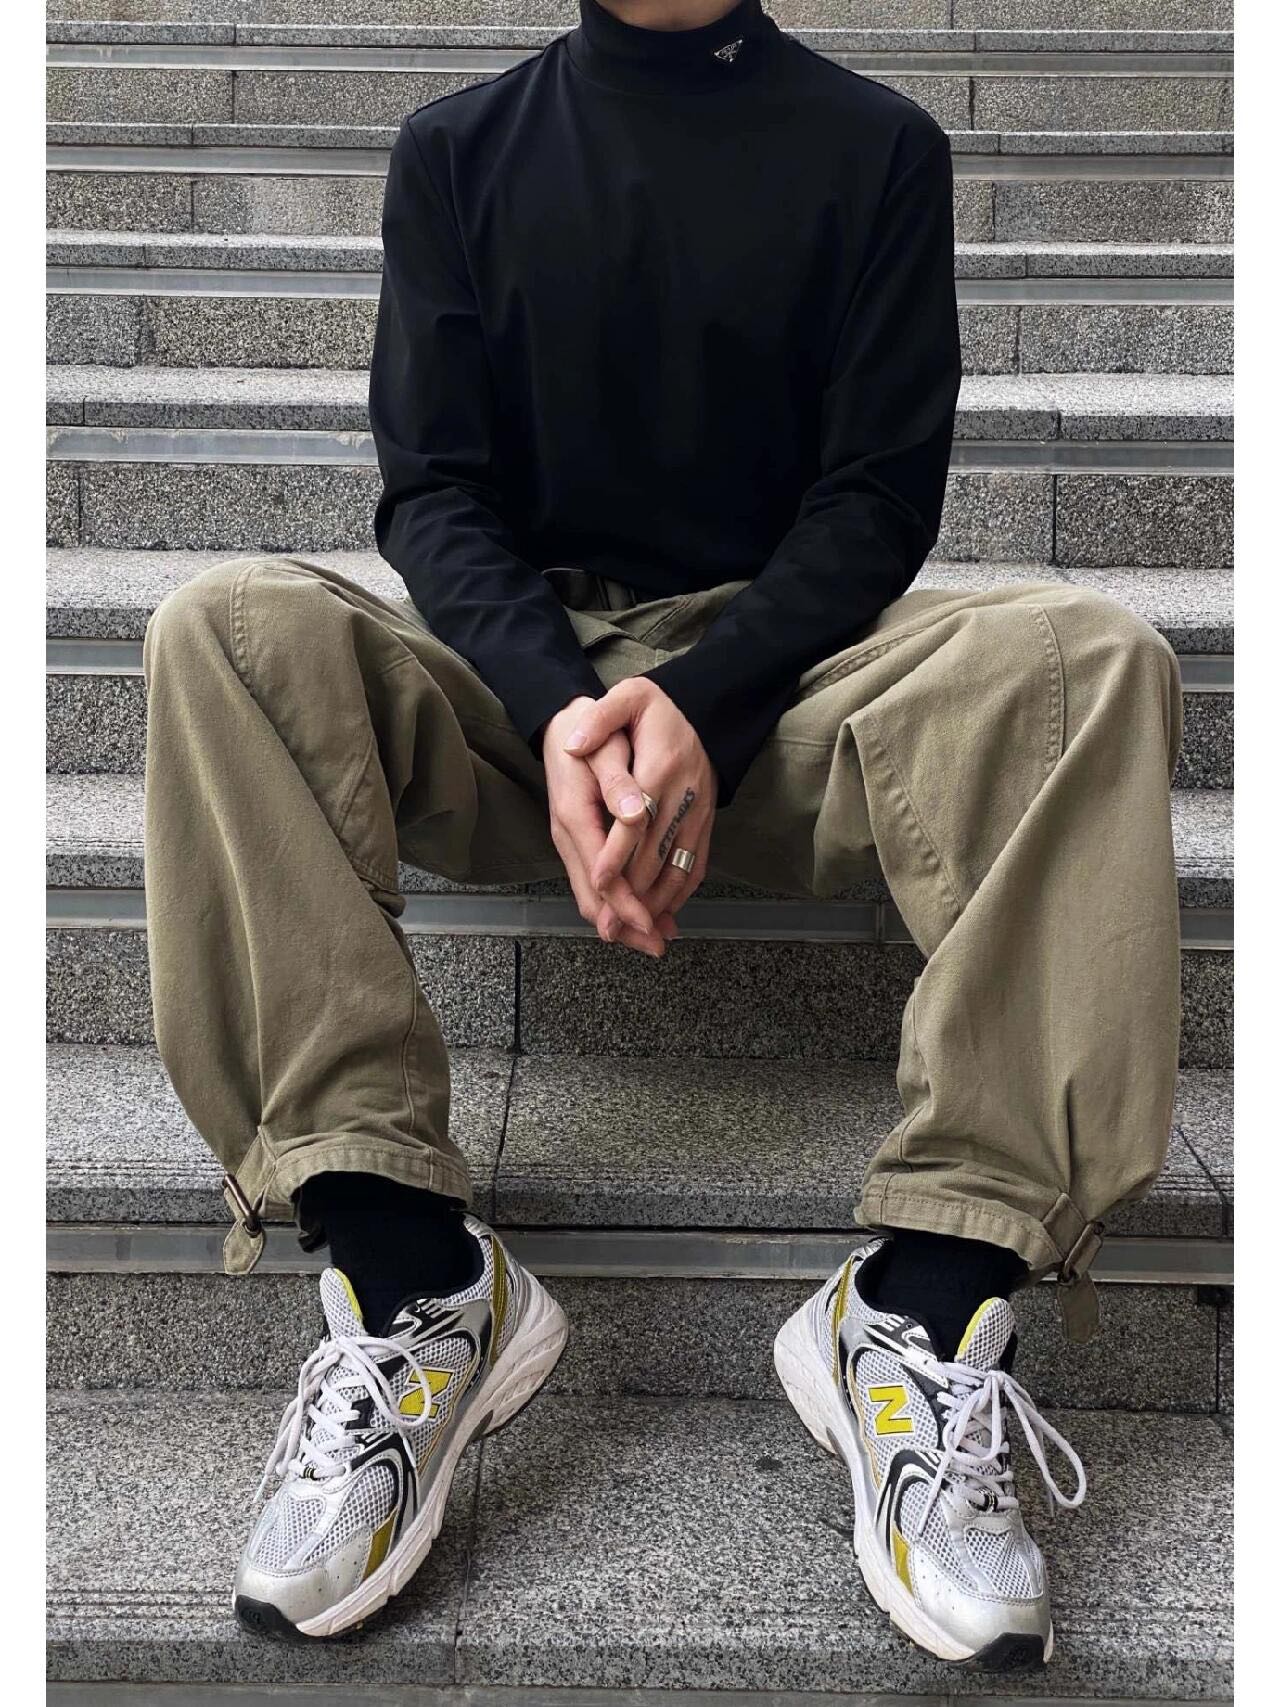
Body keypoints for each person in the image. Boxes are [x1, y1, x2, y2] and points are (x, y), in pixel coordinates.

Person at [142, 0, 1182, 1664]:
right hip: (521, 705)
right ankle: (411, 1275)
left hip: (797, 693)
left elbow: (877, 501)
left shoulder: (877, 149)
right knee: (224, 629)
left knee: (1093, 659)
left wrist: (703, 698)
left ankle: (924, 1302)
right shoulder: (458, 151)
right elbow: (433, 493)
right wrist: (567, 707)